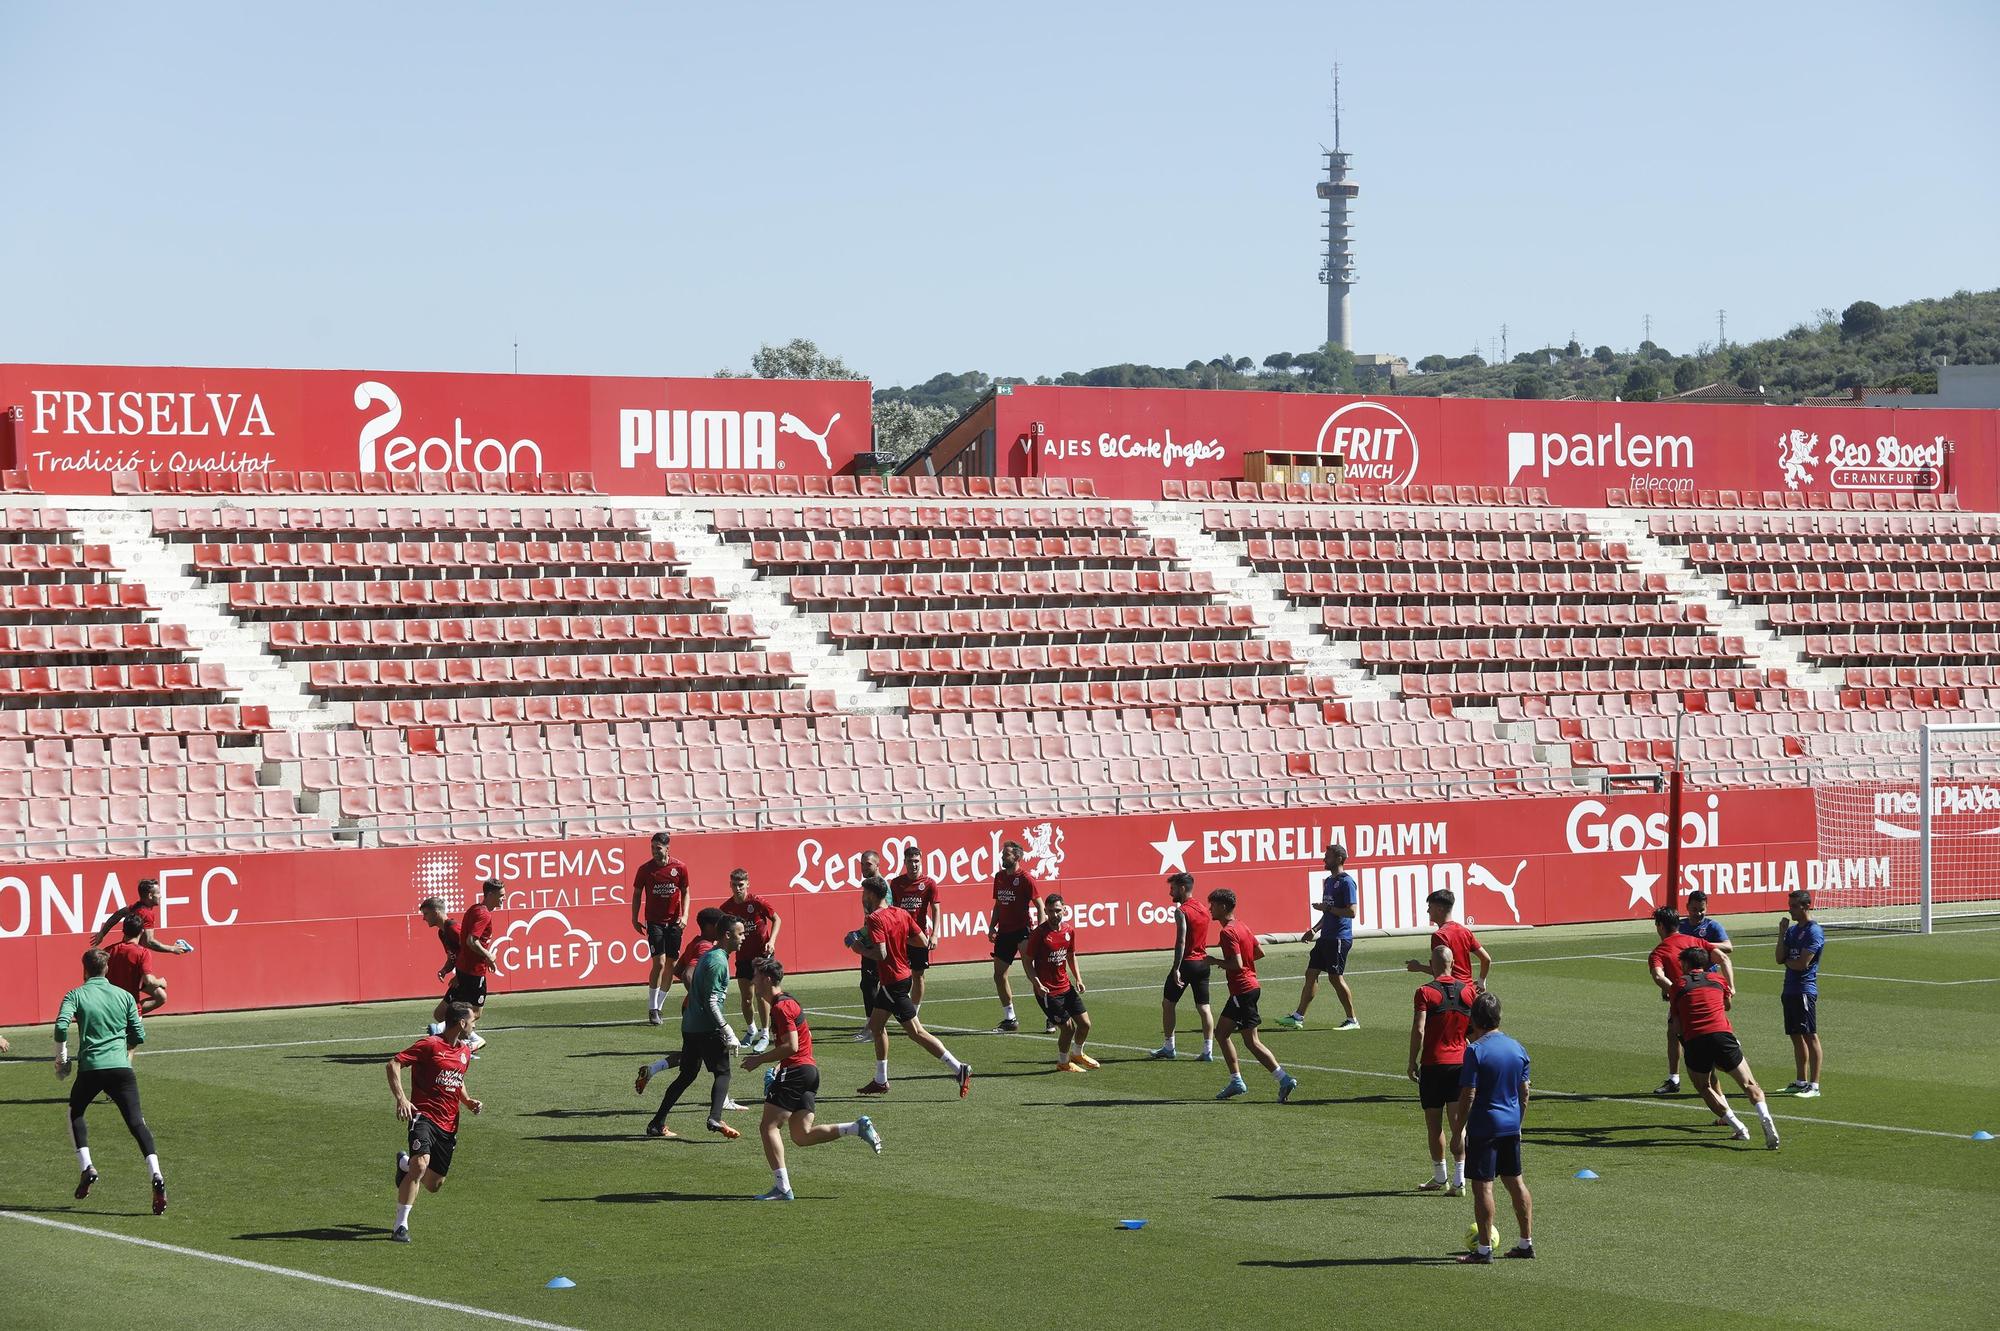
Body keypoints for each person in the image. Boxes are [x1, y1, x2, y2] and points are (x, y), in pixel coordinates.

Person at [738, 958, 882, 1201]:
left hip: (796, 1071)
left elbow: (792, 1046)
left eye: (755, 976)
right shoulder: (789, 1001)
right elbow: (805, 1038)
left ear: (768, 979)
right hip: (808, 1072)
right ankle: (857, 1127)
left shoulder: (780, 1008)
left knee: (768, 1127)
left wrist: (759, 1060)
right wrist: (778, 1065)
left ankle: (782, 1188)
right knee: (801, 1136)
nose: (753, 981)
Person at [54, 948, 168, 1213]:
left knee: (76, 1113)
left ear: (85, 970)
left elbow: (60, 1026)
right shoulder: (125, 996)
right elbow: (139, 1035)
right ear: (107, 970)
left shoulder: (75, 995)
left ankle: (87, 1166)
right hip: (121, 1068)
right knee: (136, 1122)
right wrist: (120, 1045)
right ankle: (156, 1173)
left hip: (91, 1068)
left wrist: (62, 1057)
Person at [850, 876, 973, 1098]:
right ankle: (881, 1080)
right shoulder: (901, 913)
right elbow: (922, 941)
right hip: (899, 978)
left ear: (871, 895)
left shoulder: (875, 918)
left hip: (893, 982)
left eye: (863, 894)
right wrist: (897, 940)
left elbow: (881, 953)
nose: (862, 898)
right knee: (876, 1027)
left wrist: (860, 949)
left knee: (916, 1032)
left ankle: (959, 1068)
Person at [1665, 946, 1781, 1150]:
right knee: (1749, 1084)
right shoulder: (1718, 979)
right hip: (1722, 1036)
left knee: (1704, 1087)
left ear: (1685, 964)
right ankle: (1765, 1117)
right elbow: (1727, 1005)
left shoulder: (1678, 985)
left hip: (1695, 1040)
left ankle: (1739, 1128)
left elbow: (1676, 1024)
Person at [387, 1001, 482, 1242]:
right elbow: (394, 1063)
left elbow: (456, 1079)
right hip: (423, 1115)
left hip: (449, 1124)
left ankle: (404, 1166)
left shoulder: (464, 1051)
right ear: (461, 1023)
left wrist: (468, 1101)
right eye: (472, 1020)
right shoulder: (429, 1045)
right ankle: (400, 1226)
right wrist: (402, 1099)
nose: (474, 1024)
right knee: (421, 1166)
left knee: (433, 1184)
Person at [642, 917, 745, 1140]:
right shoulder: (718, 961)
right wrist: (728, 1030)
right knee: (723, 1073)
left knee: (686, 1075)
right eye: (740, 934)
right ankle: (715, 1117)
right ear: (727, 935)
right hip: (706, 1028)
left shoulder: (709, 955)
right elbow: (711, 1002)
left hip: (690, 1025)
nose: (743, 938)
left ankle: (656, 1123)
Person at [1450, 991, 1533, 1263]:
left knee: (1483, 1187)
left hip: (1485, 1127)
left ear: (1474, 1019)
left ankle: (1484, 1250)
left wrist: (1458, 1130)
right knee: (1516, 1182)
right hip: (1510, 1126)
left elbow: (1469, 1094)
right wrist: (1518, 1124)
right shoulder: (1518, 1048)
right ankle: (1525, 1243)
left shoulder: (1475, 1051)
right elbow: (1524, 1093)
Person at [1208, 889, 1297, 1103]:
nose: (1210, 908)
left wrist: (1215, 961)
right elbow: (1259, 953)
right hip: (1249, 988)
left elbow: (1236, 964)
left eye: (1213, 905)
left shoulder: (1228, 932)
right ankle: (1236, 1080)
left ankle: (1284, 1079)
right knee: (1221, 1034)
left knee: (1251, 1041)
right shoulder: (1242, 926)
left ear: (1223, 907)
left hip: (1242, 990)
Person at [634, 908, 725, 1095]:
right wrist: (701, 1000)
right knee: (719, 1058)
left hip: (690, 1009)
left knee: (692, 1058)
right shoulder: (705, 947)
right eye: (720, 924)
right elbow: (686, 974)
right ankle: (723, 1101)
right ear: (710, 926)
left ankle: (652, 1070)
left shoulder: (696, 942)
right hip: (698, 1011)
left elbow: (678, 969)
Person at [1657, 893, 1735, 1094]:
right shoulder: (1680, 927)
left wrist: (1699, 945)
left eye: (1701, 909)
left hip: (1708, 987)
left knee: (1702, 1032)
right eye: (1694, 909)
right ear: (1687, 907)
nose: (1698, 913)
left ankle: (1723, 1066)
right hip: (1683, 987)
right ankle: (1674, 1078)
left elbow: (1728, 948)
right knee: (1673, 1032)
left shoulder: (1711, 927)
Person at [1409, 969, 1478, 1195]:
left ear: (1432, 963)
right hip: (1460, 1064)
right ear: (1452, 964)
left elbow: (1419, 1028)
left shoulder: (1425, 992)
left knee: (1434, 1123)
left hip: (1433, 1064)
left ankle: (1441, 1177)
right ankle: (1459, 1181)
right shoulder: (1468, 991)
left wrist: (1412, 1060)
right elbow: (1476, 1030)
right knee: (1459, 1124)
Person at [1279, 844, 1360, 1031]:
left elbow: (1351, 912)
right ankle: (1298, 1016)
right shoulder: (1329, 881)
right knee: (1311, 973)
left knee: (1335, 978)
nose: (1324, 860)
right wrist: (1314, 930)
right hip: (1325, 937)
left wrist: (1328, 908)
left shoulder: (1347, 882)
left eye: (1328, 856)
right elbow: (1329, 912)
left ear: (1339, 859)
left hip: (1339, 938)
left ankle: (1352, 1019)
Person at [1027, 895, 1097, 1072]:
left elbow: (1071, 955)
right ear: (1045, 912)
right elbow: (1027, 961)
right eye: (1050, 911)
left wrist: (1078, 979)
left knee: (1085, 1024)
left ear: (1064, 909)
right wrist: (1036, 983)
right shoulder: (1039, 934)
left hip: (1066, 987)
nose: (1054, 914)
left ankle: (1077, 1053)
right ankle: (1063, 1062)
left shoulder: (1069, 931)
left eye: (1057, 910)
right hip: (1047, 991)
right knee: (1067, 1029)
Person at [1150, 872, 1215, 1061]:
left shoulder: (1182, 911)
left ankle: (1169, 1047)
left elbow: (1181, 941)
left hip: (1187, 963)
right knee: (1204, 1008)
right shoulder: (1203, 909)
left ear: (1182, 888)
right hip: (1203, 963)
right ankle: (1207, 1050)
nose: (1171, 893)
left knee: (1168, 1003)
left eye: (1172, 889)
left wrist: (1176, 968)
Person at [632, 831, 691, 1027]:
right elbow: (637, 895)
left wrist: (685, 915)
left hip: (674, 923)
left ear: (667, 848)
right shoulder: (645, 870)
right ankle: (652, 1008)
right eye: (652, 848)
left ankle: (659, 1006)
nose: (655, 852)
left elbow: (686, 892)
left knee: (671, 966)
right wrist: (634, 918)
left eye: (658, 848)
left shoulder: (680, 868)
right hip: (655, 922)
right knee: (659, 962)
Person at [719, 869, 782, 1052]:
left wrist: (772, 941)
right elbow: (722, 933)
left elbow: (777, 919)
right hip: (742, 957)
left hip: (762, 956)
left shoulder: (757, 901)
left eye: (741, 885)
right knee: (746, 999)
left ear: (747, 884)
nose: (738, 888)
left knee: (761, 995)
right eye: (734, 885)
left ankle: (764, 1034)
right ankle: (751, 1029)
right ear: (730, 885)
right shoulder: (726, 909)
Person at [437, 879, 501, 1051]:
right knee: (474, 1013)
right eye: (501, 895)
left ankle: (452, 1038)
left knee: (446, 1012)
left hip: (465, 969)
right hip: (474, 972)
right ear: (490, 894)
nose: (503, 899)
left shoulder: (474, 909)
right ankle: (466, 1039)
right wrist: (489, 955)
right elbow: (471, 941)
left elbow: (468, 943)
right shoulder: (484, 914)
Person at [1776, 890, 1824, 1097]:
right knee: (1795, 1036)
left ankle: (1814, 1085)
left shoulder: (1814, 932)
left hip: (1805, 989)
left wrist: (1787, 961)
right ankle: (1800, 1080)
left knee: (1810, 1035)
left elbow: (1801, 964)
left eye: (1794, 905)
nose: (1790, 909)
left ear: (1806, 906)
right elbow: (1779, 957)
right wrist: (1781, 932)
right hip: (1789, 989)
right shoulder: (1793, 931)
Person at [988, 840, 1040, 1031]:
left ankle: (1052, 1015)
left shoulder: (1026, 878)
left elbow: (1040, 904)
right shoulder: (999, 877)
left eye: (1006, 855)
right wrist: (992, 927)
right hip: (1004, 933)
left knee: (1032, 972)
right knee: (999, 975)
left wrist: (1037, 932)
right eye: (1002, 855)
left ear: (1017, 857)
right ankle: (1010, 1018)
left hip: (1022, 931)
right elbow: (998, 905)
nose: (1002, 857)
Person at [890, 845, 940, 1009]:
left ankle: (914, 1012)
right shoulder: (897, 883)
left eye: (917, 861)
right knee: (899, 975)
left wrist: (934, 934)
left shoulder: (929, 884)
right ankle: (900, 1006)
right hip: (900, 937)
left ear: (921, 861)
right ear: (905, 862)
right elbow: (892, 910)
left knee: (918, 975)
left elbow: (936, 909)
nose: (914, 865)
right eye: (910, 861)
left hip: (919, 937)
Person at [1405, 889, 1490, 986]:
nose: (1428, 911)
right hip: (1469, 991)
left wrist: (1418, 967)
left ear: (1439, 909)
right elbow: (1486, 959)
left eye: (1430, 907)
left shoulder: (1440, 936)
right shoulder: (1465, 931)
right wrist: (1481, 981)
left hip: (1453, 991)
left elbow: (1441, 970)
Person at [104, 915, 184, 1015]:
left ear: (123, 931)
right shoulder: (142, 952)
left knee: (161, 995)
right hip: (129, 1007)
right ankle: (132, 1012)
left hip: (109, 1006)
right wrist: (160, 982)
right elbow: (149, 980)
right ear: (142, 931)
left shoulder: (107, 951)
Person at [417, 897, 462, 1030]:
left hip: (468, 976)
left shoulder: (454, 929)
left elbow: (470, 951)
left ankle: (469, 1041)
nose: (424, 918)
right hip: (462, 977)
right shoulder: (442, 933)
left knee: (467, 1014)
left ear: (436, 913)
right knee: (441, 1014)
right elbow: (452, 956)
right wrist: (445, 969)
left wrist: (459, 976)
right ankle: (464, 1041)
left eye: (426, 914)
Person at [89, 877, 165, 949]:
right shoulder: (147, 914)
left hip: (124, 950)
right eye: (158, 893)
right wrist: (172, 949)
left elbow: (118, 914)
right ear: (150, 896)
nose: (160, 896)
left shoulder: (136, 907)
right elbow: (149, 942)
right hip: (134, 955)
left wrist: (102, 933)